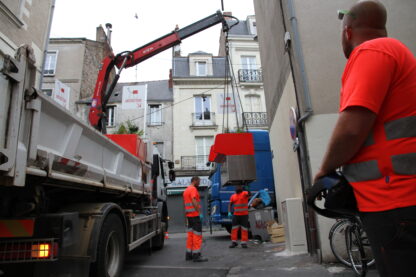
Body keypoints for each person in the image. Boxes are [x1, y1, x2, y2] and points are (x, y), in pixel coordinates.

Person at [314, 1, 416, 276]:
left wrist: (324, 170)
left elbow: (351, 128)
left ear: (347, 32)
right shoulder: (395, 53)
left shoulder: (371, 51)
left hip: (394, 202)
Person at [183, 176, 208, 262]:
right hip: (195, 215)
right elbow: (194, 200)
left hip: (189, 216)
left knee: (191, 235)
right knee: (197, 235)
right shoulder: (193, 189)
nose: (199, 183)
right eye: (199, 181)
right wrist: (200, 213)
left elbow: (187, 204)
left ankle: (189, 255)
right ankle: (196, 255)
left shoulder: (186, 190)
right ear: (195, 180)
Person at [228, 184, 250, 248]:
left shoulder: (244, 193)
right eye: (236, 187)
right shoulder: (233, 196)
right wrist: (229, 212)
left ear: (241, 187)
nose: (237, 188)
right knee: (234, 229)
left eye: (239, 186)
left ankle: (243, 243)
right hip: (236, 215)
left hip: (244, 215)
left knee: (244, 229)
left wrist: (248, 189)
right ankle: (234, 242)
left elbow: (249, 194)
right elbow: (230, 204)